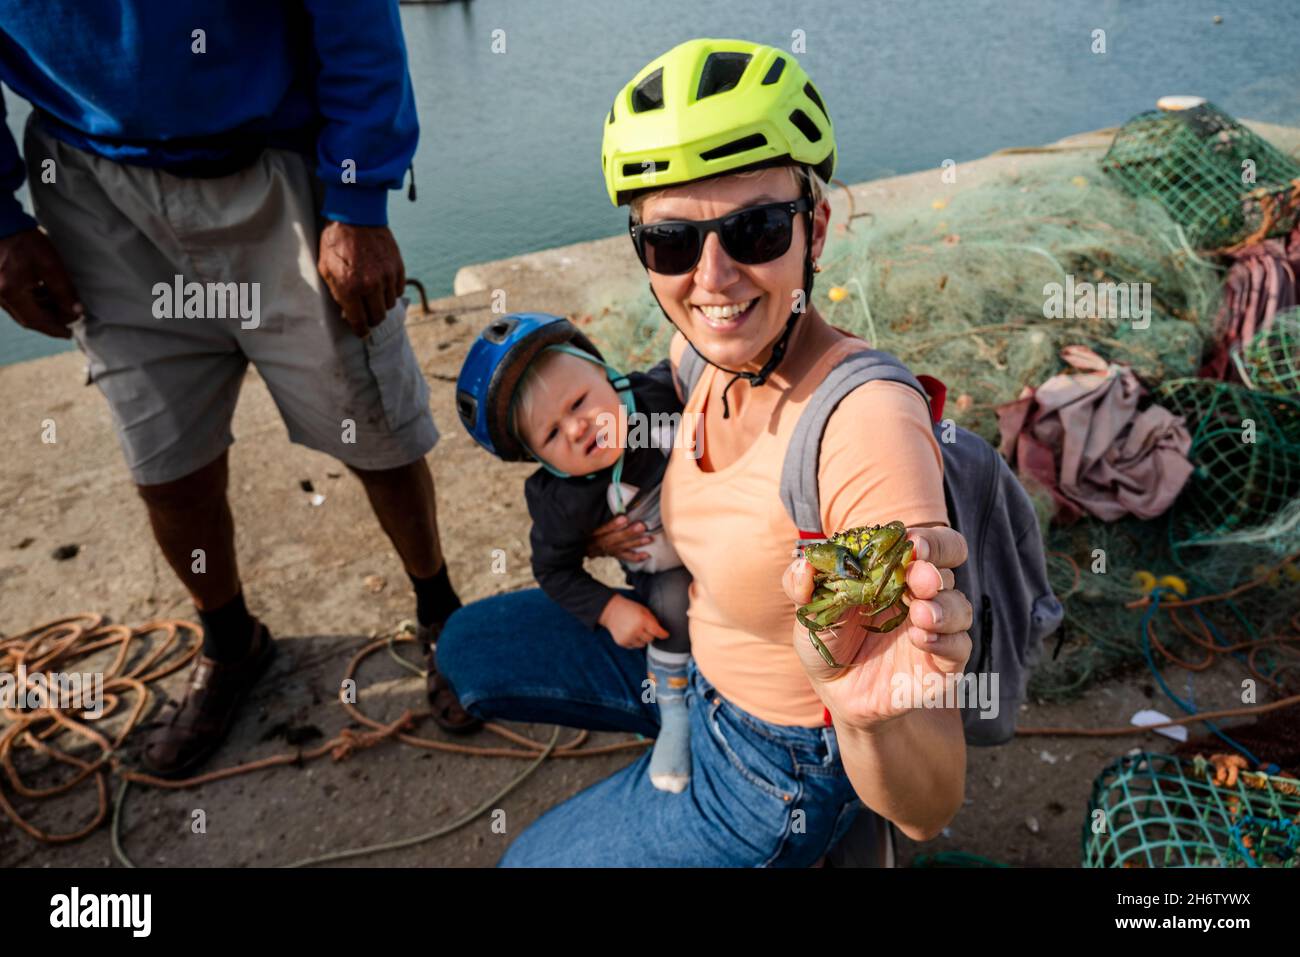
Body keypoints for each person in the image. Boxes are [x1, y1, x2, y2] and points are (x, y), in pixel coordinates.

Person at [437, 38, 974, 866]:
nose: (713, 278)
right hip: (687, 652)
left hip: (777, 755)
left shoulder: (863, 425)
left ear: (815, 229)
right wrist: (589, 515)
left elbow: (931, 804)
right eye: (672, 244)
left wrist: (867, 713)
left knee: (524, 864)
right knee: (468, 645)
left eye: (754, 229)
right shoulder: (700, 359)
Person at [0, 1, 477, 777]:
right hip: (90, 183)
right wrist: (2, 224)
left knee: (374, 428)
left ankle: (440, 610)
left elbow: (353, 16)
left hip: (277, 164)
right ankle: (229, 639)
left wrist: (357, 197)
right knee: (163, 452)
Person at [455, 314, 696, 792]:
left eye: (580, 402)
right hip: (669, 568)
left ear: (607, 376)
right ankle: (676, 715)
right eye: (550, 435)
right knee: (672, 612)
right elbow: (552, 568)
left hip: (732, 532)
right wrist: (609, 609)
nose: (577, 428)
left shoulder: (658, 400)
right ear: (537, 459)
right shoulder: (564, 502)